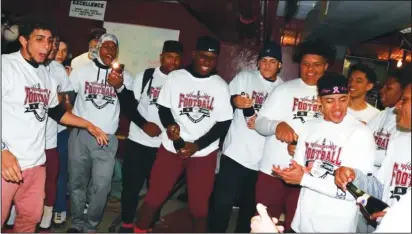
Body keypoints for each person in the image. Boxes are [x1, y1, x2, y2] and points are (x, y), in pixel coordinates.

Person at [1, 16, 107, 233]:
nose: (46, 46)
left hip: (35, 164)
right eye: (39, 39)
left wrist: (88, 125)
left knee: (29, 220)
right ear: (23, 40)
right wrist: (2, 150)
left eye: (49, 40)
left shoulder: (45, 75)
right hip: (6, 164)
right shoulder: (6, 66)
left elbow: (57, 113)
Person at [132, 36, 233, 233]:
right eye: (203, 56)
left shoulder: (220, 85)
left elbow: (223, 123)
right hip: (171, 148)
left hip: (203, 153)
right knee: (154, 197)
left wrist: (197, 145)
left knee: (199, 206)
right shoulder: (175, 77)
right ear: (194, 55)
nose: (207, 62)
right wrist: (171, 129)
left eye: (212, 58)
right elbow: (164, 109)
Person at [272, 72, 376, 232]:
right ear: (319, 101)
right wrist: (290, 174)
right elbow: (301, 171)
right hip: (301, 223)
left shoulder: (360, 133)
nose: (337, 108)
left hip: (336, 226)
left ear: (349, 96)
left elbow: (355, 193)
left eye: (343, 99)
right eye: (329, 101)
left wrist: (303, 179)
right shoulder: (308, 127)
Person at [254, 39, 336, 231]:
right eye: (306, 64)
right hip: (273, 170)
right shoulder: (283, 90)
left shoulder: (332, 96)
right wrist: (276, 125)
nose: (310, 69)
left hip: (309, 176)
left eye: (316, 65)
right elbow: (259, 123)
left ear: (326, 66)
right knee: (264, 223)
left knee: (297, 226)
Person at [107, 40, 184, 233]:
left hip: (164, 147)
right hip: (138, 141)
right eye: (169, 56)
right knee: (131, 188)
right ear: (161, 57)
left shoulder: (183, 81)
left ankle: (148, 225)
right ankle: (126, 223)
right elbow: (129, 106)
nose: (172, 61)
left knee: (157, 191)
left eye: (176, 58)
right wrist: (144, 125)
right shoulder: (146, 76)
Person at [208, 41, 284, 233]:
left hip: (262, 160)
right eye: (263, 60)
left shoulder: (283, 89)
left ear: (280, 65)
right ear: (258, 63)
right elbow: (225, 101)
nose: (267, 65)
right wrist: (235, 101)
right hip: (236, 153)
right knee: (221, 204)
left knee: (250, 209)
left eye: (272, 61)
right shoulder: (245, 78)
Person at [65, 33, 133, 233]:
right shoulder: (82, 71)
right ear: (98, 49)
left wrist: (118, 86)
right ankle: (77, 223)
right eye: (106, 47)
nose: (110, 51)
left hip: (107, 138)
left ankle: (91, 225)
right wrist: (69, 111)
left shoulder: (125, 76)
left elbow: (130, 106)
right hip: (80, 135)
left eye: (114, 48)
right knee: (77, 183)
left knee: (101, 186)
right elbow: (67, 93)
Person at [334, 79, 411, 231]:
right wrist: (354, 176)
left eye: (405, 100)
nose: (397, 105)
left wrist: (395, 216)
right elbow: (380, 188)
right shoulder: (399, 140)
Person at [38, 35, 74, 230]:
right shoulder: (33, 66)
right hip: (33, 131)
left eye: (61, 50)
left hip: (57, 131)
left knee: (56, 175)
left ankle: (53, 212)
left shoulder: (59, 70)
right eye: (54, 47)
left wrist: (61, 99)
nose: (57, 52)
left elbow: (66, 103)